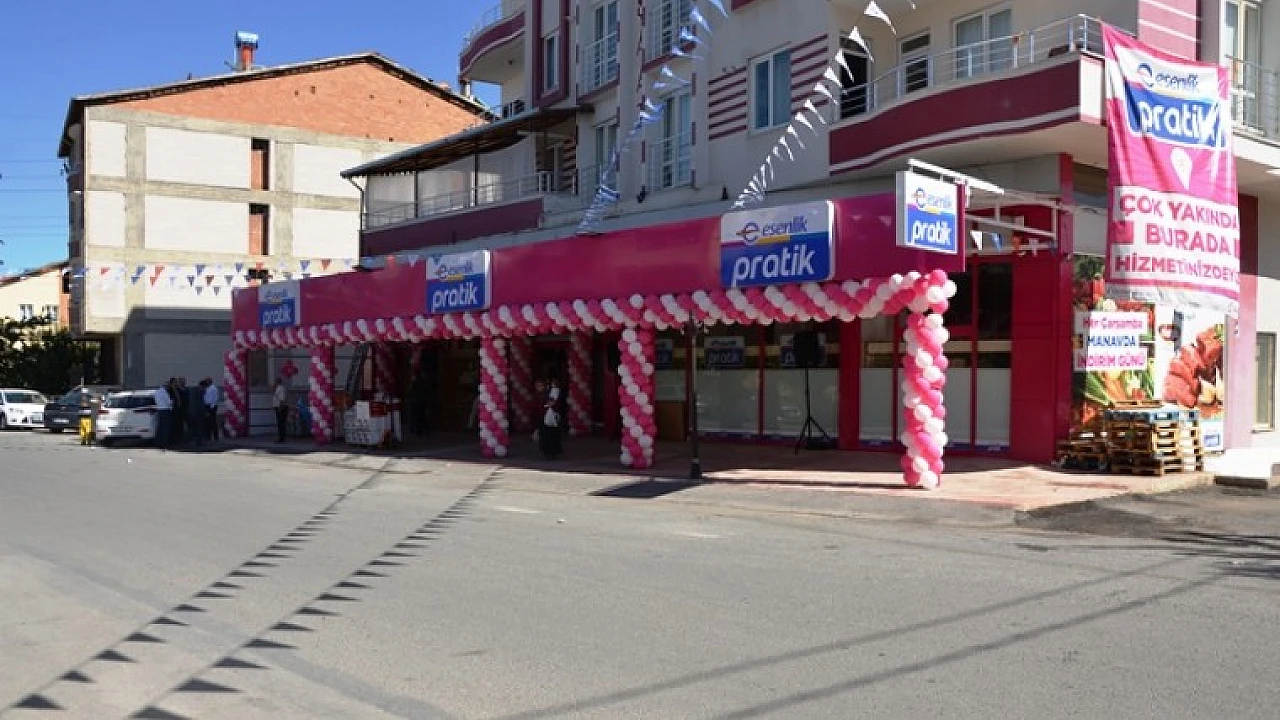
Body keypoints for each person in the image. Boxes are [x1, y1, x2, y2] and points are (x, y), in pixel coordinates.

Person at [537, 377, 565, 459]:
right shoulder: (546, 393)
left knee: (551, 434)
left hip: (551, 416)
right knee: (546, 434)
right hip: (546, 416)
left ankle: (551, 451)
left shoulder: (554, 392)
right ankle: (548, 451)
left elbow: (553, 402)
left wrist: (549, 405)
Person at [154, 380, 174, 449]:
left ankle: (158, 442)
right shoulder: (165, 392)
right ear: (166, 386)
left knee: (160, 427)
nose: (168, 387)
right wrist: (172, 401)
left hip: (159, 410)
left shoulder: (156, 392)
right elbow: (169, 402)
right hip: (165, 410)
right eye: (168, 386)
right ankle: (164, 443)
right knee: (165, 428)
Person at [186, 379, 206, 447]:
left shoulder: (191, 390)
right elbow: (201, 403)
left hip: (190, 412)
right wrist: (204, 412)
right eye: (205, 387)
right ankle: (199, 442)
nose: (205, 389)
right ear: (203, 386)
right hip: (198, 412)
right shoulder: (200, 391)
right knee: (200, 427)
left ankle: (186, 440)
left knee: (192, 428)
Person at [202, 378, 220, 442]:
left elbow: (215, 398)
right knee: (207, 421)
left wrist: (212, 406)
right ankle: (208, 436)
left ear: (210, 382)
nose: (206, 382)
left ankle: (215, 436)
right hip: (206, 405)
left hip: (211, 406)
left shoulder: (213, 388)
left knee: (213, 421)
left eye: (207, 381)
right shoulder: (206, 388)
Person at [273, 378, 289, 443]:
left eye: (275, 382)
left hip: (281, 407)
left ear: (277, 382)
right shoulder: (278, 388)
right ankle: (281, 437)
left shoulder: (280, 388)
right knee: (280, 423)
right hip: (279, 407)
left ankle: (281, 438)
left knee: (281, 423)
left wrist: (280, 407)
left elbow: (282, 399)